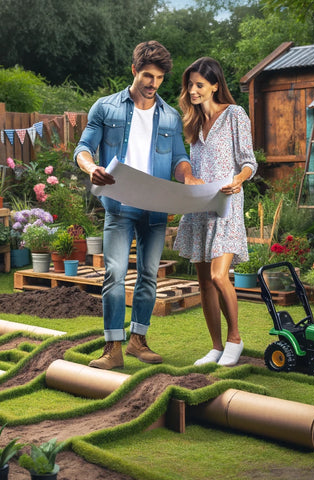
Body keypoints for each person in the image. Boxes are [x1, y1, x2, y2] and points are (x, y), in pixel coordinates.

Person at [74, 41, 200, 370]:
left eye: (158, 78)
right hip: (119, 204)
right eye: (147, 76)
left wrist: (187, 176)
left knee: (148, 276)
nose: (152, 84)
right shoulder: (105, 108)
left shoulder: (170, 116)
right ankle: (112, 348)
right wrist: (91, 169)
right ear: (134, 70)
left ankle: (137, 341)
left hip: (156, 208)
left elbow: (179, 158)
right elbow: (83, 148)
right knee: (114, 274)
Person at [174, 57, 258, 367]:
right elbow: (191, 168)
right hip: (200, 207)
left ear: (214, 85)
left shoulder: (234, 114)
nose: (192, 90)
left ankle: (235, 338)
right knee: (204, 282)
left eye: (198, 85)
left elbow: (250, 162)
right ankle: (215, 346)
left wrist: (238, 180)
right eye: (190, 85)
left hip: (226, 204)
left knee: (219, 276)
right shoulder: (192, 123)